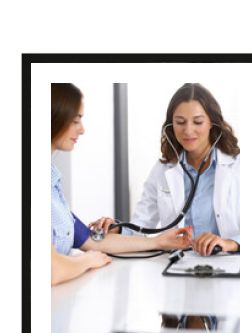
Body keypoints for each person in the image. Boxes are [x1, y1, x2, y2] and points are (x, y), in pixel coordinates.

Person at [51, 83, 192, 286]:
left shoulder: (51, 182)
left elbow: (90, 240)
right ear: (54, 117)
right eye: (76, 120)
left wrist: (158, 241)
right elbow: (52, 269)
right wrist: (87, 260)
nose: (82, 129)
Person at [90, 83, 240, 257]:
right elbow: (141, 224)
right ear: (171, 125)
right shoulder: (163, 170)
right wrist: (117, 229)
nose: (188, 130)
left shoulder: (239, 167)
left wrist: (230, 243)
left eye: (198, 122)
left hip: (227, 266)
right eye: (180, 122)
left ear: (212, 124)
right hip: (177, 265)